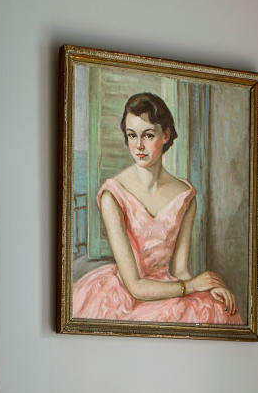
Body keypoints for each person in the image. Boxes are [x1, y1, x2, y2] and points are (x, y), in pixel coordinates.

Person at [71, 92, 242, 325]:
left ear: (166, 135)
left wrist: (209, 288)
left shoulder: (185, 195)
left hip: (169, 286)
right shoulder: (113, 193)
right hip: (125, 295)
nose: (139, 146)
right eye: (132, 136)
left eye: (148, 135)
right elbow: (135, 286)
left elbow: (181, 270)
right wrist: (192, 286)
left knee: (216, 308)